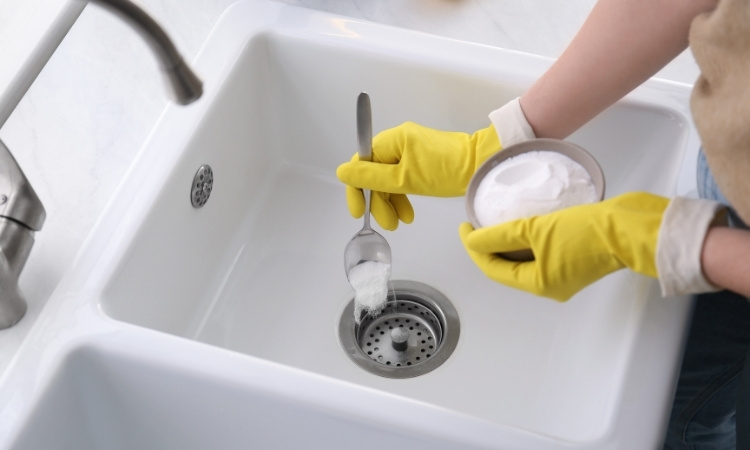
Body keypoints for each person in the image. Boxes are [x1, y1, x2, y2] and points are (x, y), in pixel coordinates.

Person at [336, 0, 750, 447]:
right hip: (732, 174)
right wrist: (506, 136)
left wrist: (683, 244)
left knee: (684, 419)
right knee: (682, 389)